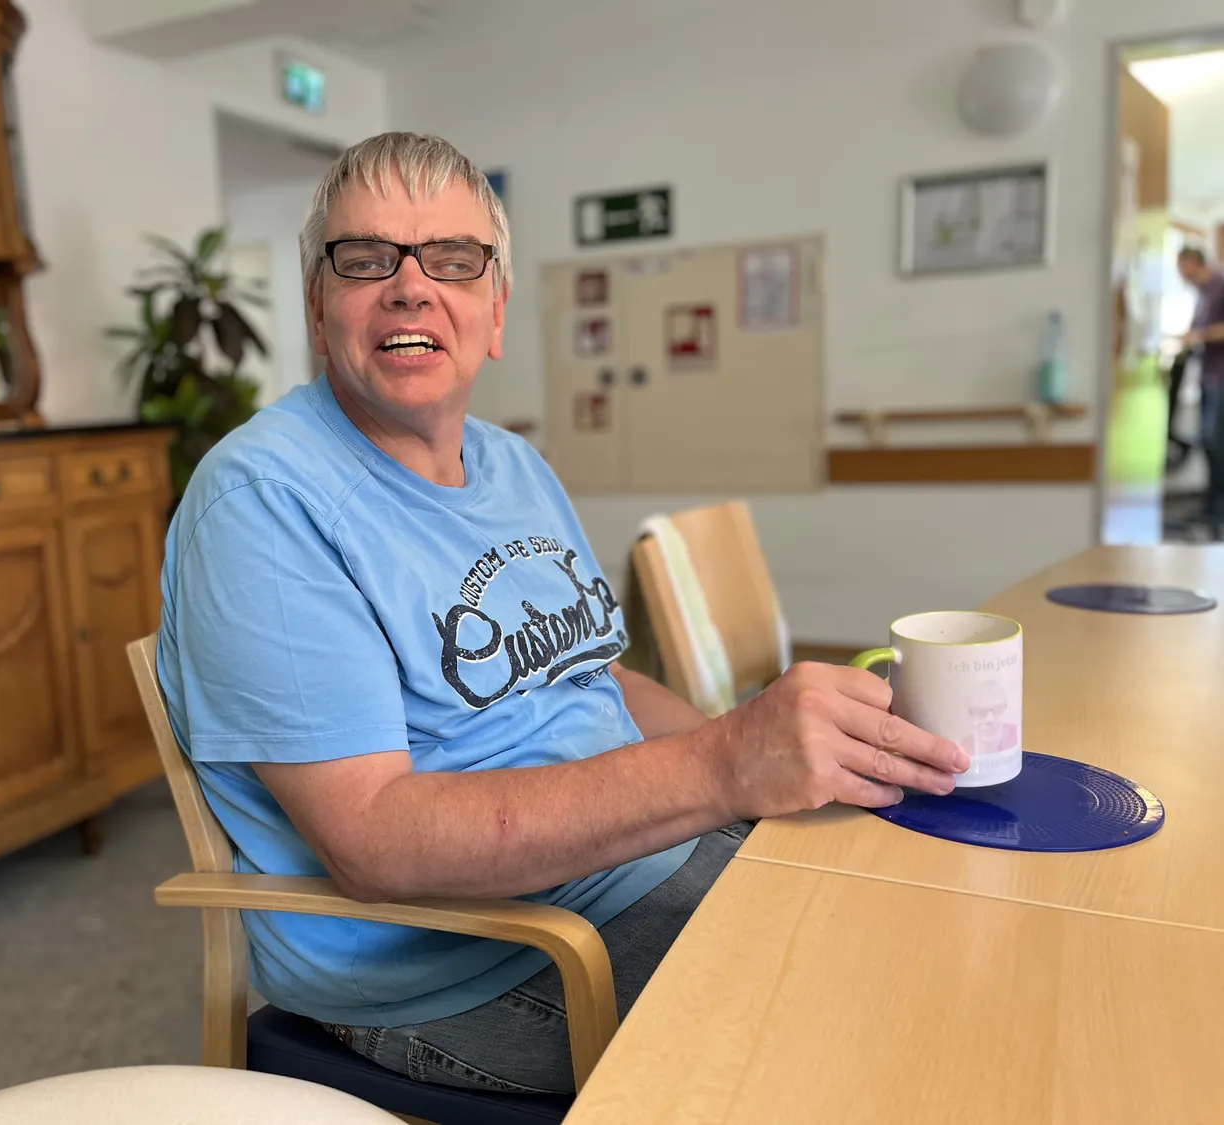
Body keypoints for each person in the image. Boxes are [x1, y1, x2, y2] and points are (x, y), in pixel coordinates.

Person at [156, 132, 968, 1096]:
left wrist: (761, 753)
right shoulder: (261, 499)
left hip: (636, 863)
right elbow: (371, 836)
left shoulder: (515, 466)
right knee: (879, 1036)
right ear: (317, 308)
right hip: (478, 961)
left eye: (453, 260)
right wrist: (722, 764)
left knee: (922, 915)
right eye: (366, 259)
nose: (411, 288)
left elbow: (599, 680)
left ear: (495, 311)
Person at [1177, 247, 1224, 526]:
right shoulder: (1201, 295)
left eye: (1181, 266)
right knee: (1208, 442)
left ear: (1194, 263)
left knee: (1215, 441)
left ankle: (1219, 509)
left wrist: (1199, 334)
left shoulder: (1221, 286)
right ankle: (1211, 505)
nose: (1180, 274)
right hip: (1206, 377)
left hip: (1221, 378)